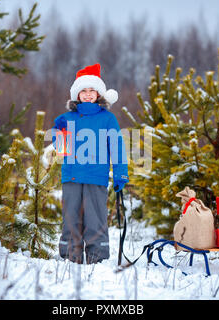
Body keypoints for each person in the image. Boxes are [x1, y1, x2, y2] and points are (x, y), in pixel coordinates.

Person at [52, 63, 129, 264]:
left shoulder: (107, 119)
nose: (87, 95)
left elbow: (117, 147)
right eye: (83, 91)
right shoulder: (68, 118)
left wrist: (121, 173)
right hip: (72, 175)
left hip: (97, 176)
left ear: (98, 94)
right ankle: (70, 255)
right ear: (77, 95)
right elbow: (61, 150)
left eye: (91, 91)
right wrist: (58, 132)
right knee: (71, 217)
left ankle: (98, 256)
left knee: (95, 218)